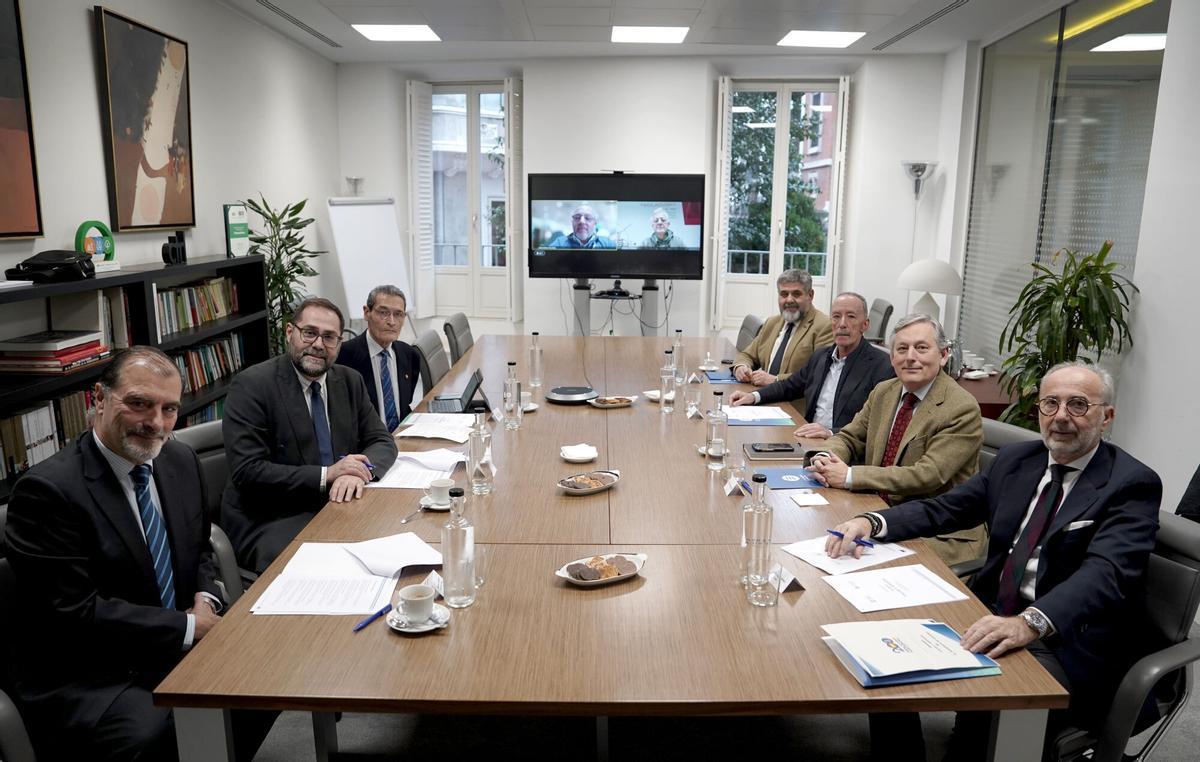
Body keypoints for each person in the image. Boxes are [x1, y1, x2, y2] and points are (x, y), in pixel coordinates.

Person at [826, 361, 1162, 760]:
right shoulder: (1018, 460)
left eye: (1077, 405)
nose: (1060, 417)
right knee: (883, 650)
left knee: (989, 718)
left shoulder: (1131, 484)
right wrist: (873, 522)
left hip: (1065, 637)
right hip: (990, 609)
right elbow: (946, 508)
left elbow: (1105, 574)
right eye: (1050, 403)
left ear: (1106, 417)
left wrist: (1029, 622)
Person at [3, 347, 273, 760]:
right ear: (99, 398)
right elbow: (76, 614)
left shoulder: (180, 460)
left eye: (169, 409)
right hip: (92, 670)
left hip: (171, 639)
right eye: (139, 404)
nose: (156, 423)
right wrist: (188, 626)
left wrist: (206, 598)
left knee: (269, 679)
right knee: (155, 731)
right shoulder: (47, 492)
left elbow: (199, 549)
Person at [221, 296, 398, 573]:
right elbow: (249, 471)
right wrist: (329, 474)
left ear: (339, 344)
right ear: (290, 332)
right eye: (309, 333)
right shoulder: (252, 386)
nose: (318, 344)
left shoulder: (349, 381)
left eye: (329, 337)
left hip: (336, 506)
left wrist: (356, 472)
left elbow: (382, 440)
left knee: (390, 543)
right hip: (271, 518)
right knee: (338, 570)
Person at [809, 313, 986, 567]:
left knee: (855, 568)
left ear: (943, 355)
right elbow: (849, 436)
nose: (910, 357)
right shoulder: (884, 391)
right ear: (892, 358)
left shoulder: (961, 407)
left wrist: (849, 476)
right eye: (902, 349)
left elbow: (927, 474)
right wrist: (825, 458)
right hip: (876, 512)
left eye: (921, 348)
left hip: (937, 532)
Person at [729, 292, 894, 438]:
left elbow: (877, 425)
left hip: (843, 449)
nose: (842, 324)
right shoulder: (821, 356)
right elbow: (789, 386)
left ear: (865, 324)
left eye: (851, 317)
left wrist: (830, 432)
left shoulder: (882, 366)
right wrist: (754, 396)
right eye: (836, 316)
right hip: (808, 439)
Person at [335, 285, 421, 431]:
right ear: (366, 312)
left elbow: (405, 406)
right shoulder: (342, 357)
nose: (392, 322)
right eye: (383, 313)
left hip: (402, 436)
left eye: (398, 314)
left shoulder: (410, 355)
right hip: (364, 442)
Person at [732, 269, 833, 386]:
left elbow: (818, 373)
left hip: (794, 397)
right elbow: (747, 355)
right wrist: (741, 367)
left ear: (810, 295)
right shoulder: (772, 323)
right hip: (763, 393)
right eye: (784, 294)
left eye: (796, 294)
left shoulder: (824, 326)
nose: (789, 300)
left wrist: (776, 380)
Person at [546, 204, 617, 248]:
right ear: (572, 222)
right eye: (577, 217)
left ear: (595, 223)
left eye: (587, 218)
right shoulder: (559, 243)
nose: (582, 221)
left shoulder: (608, 244)